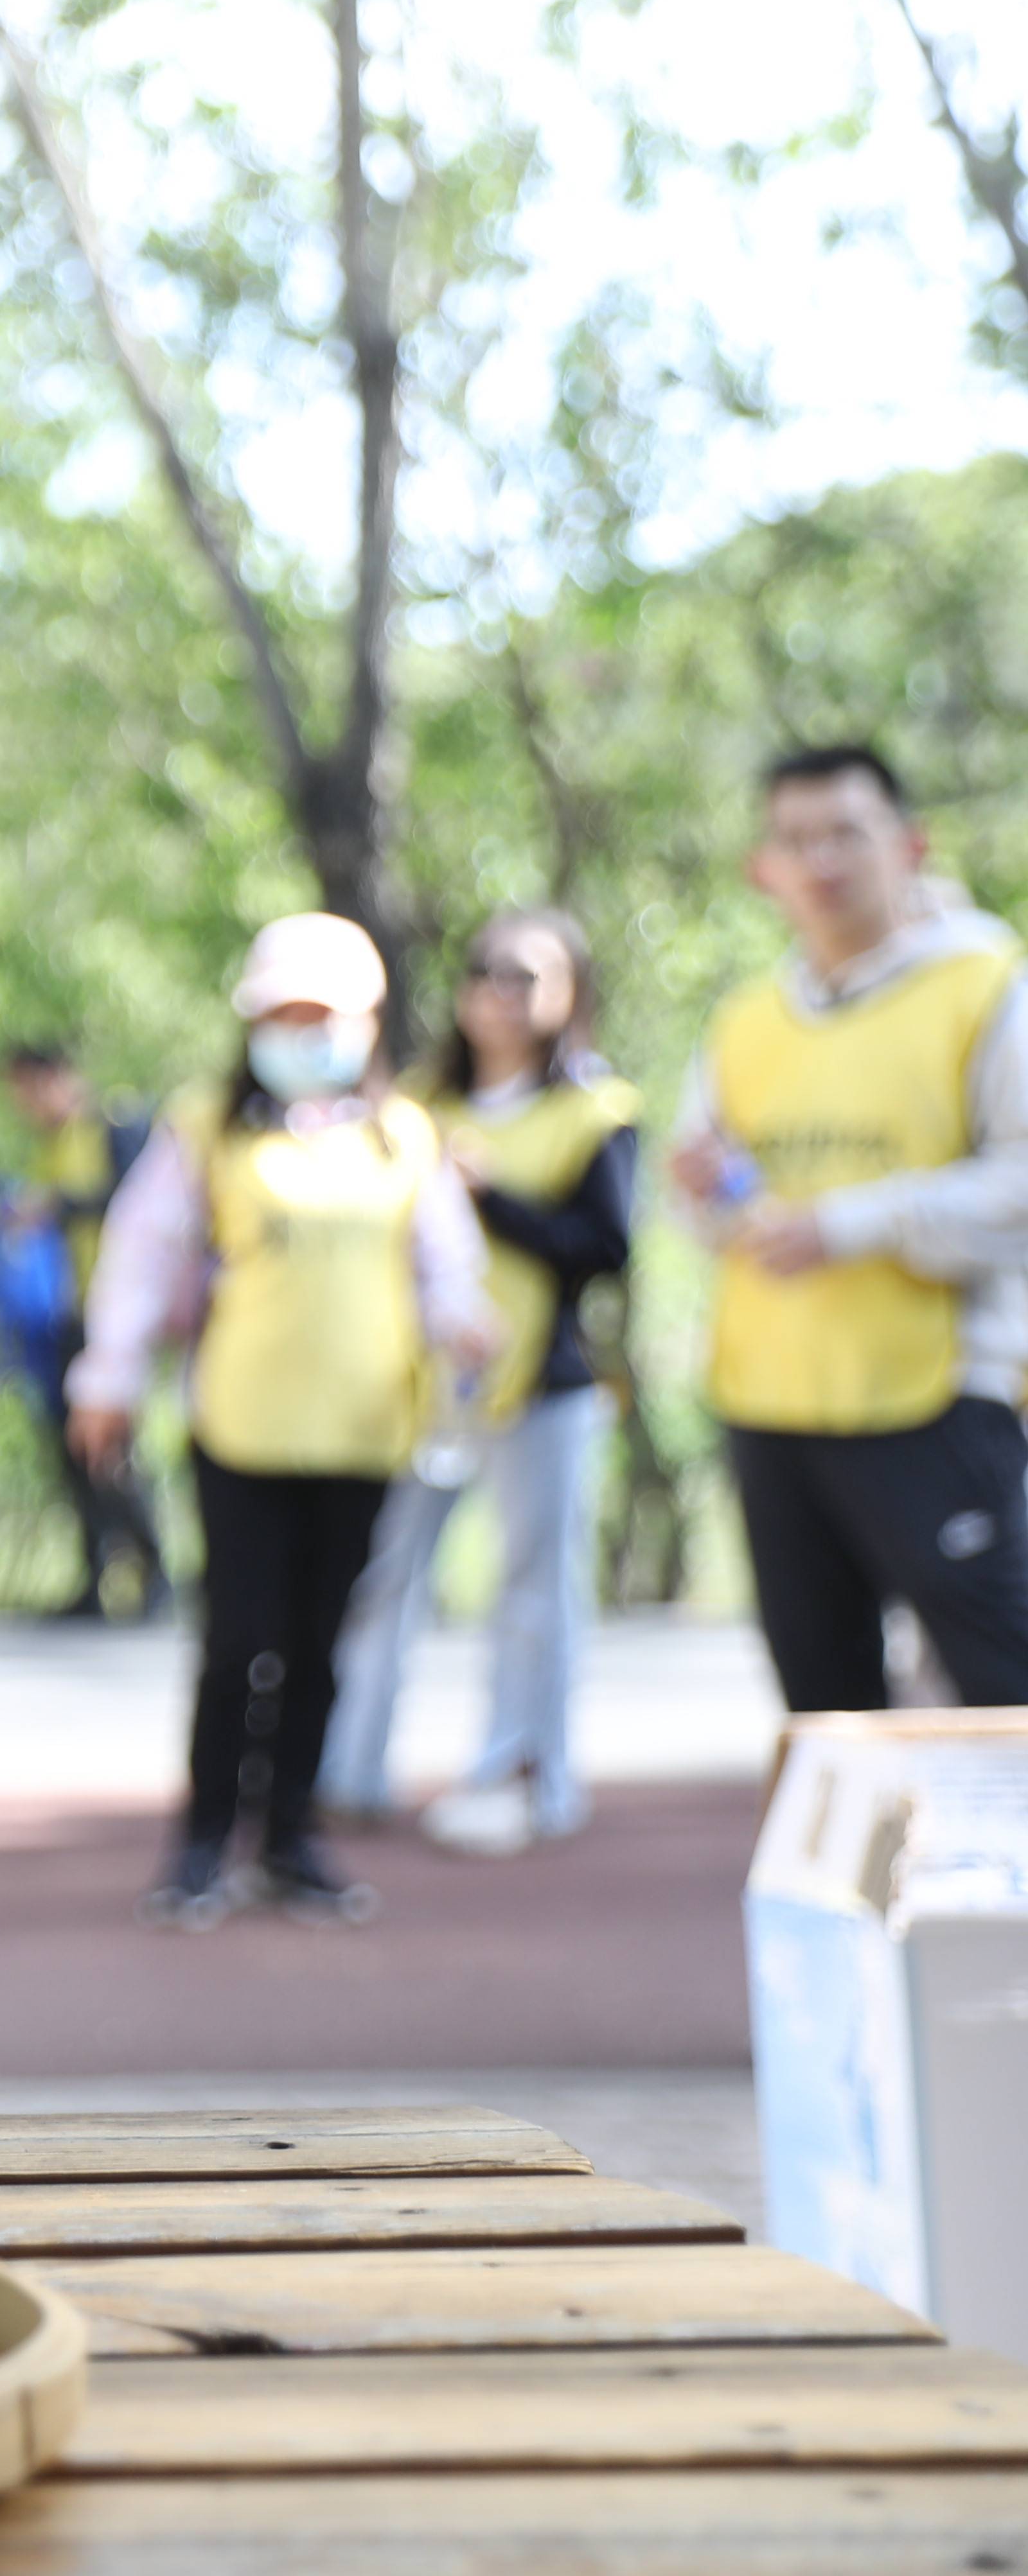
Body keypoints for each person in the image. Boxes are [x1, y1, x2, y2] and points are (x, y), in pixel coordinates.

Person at [71, 913, 498, 1928]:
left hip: (364, 1431)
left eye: (324, 1014)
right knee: (238, 1639)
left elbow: (446, 1264)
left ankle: (293, 1833)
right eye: (285, 1015)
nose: (306, 1033)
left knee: (319, 1643)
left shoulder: (404, 1136)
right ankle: (205, 1839)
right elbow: (144, 1256)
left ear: (367, 1021)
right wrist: (109, 1376)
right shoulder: (208, 1130)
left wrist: (466, 1324)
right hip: (244, 1427)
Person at [673, 744, 1028, 1715]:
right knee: (826, 1710)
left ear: (910, 845)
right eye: (796, 840)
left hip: (940, 1402)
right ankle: (857, 1878)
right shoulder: (746, 1020)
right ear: (763, 868)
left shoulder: (989, 988)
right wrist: (709, 1194)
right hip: (772, 1404)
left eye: (846, 834)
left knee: (1003, 1689)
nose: (822, 861)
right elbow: (704, 1202)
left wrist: (854, 1225)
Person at [320, 909, 639, 1853]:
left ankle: (525, 1767)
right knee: (380, 1577)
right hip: (417, 1387)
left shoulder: (598, 1113)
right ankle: (348, 1768)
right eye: (483, 972)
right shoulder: (415, 1107)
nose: (499, 993)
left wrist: (491, 1198)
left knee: (536, 1587)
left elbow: (605, 1247)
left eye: (524, 976)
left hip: (541, 1385)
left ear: (569, 993)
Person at [0, 1044, 170, 1621]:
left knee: (114, 1448)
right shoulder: (50, 1145)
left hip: (112, 1313)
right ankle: (96, 1574)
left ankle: (156, 1570)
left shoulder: (114, 1128)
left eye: (28, 1090)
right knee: (72, 1449)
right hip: (64, 1316)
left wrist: (58, 1206)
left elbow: (136, 1205)